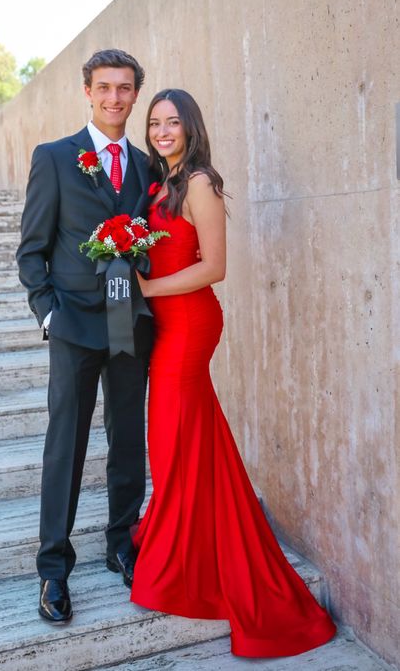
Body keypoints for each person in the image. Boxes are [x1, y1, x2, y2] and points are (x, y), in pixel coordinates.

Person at [131, 89, 337, 657]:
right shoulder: (157, 184)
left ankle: (181, 565)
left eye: (172, 122)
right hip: (164, 326)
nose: (162, 131)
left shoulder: (199, 183)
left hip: (191, 325)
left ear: (190, 127)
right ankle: (189, 542)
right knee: (188, 441)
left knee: (174, 438)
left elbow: (213, 268)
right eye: (155, 123)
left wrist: (147, 287)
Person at [16, 49, 153, 623]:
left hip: (129, 323)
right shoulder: (54, 157)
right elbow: (31, 252)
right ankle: (53, 569)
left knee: (127, 440)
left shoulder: (148, 166)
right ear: (87, 92)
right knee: (65, 447)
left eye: (125, 88)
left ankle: (121, 544)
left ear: (135, 94)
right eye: (105, 88)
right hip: (73, 323)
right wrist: (48, 313)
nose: (115, 98)